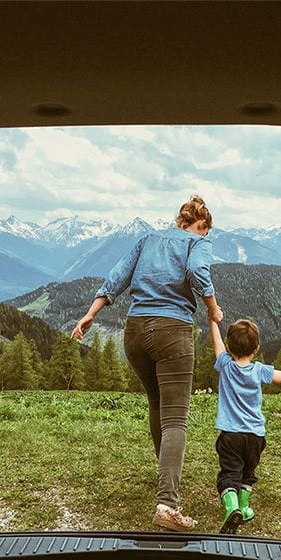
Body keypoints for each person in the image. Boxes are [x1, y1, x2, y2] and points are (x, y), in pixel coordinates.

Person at [71, 196, 223, 532]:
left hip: (135, 332)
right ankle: (167, 505)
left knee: (157, 404)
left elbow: (116, 278)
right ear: (201, 226)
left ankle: (164, 474)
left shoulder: (147, 240)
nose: (204, 237)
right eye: (205, 232)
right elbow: (198, 272)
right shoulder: (199, 242)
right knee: (176, 419)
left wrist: (90, 314)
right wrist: (212, 309)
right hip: (172, 332)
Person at [209, 318, 281, 534]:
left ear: (229, 347)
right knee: (248, 472)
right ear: (257, 349)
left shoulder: (225, 365)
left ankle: (232, 508)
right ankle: (245, 507)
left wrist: (213, 321)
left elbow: (217, 345)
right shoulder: (259, 370)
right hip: (256, 435)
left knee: (229, 474)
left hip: (231, 435)